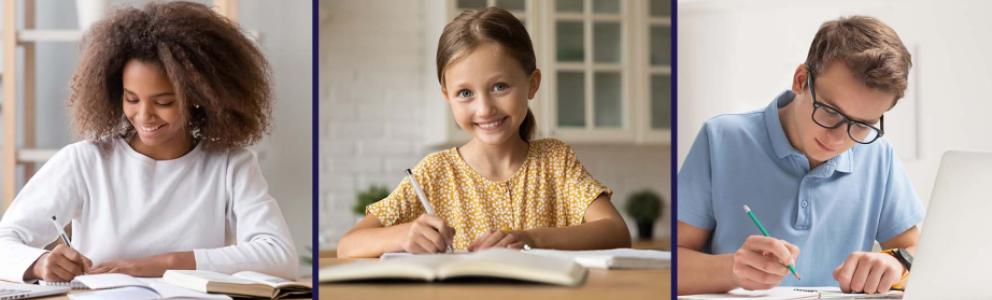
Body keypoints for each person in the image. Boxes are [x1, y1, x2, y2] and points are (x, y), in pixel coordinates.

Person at [0, 1, 297, 283]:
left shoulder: (230, 164)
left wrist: (160, 264)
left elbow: (279, 256)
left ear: (198, 97)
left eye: (164, 102)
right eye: (132, 99)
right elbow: (4, 243)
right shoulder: (84, 161)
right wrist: (39, 263)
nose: (144, 116)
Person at [337, 7, 631, 258]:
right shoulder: (434, 173)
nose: (485, 108)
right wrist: (402, 236)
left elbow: (617, 232)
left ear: (532, 83)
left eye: (500, 87)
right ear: (446, 96)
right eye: (465, 93)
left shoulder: (556, 161)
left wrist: (531, 239)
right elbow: (347, 246)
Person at [677, 16, 923, 295]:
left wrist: (895, 263)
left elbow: (916, 251)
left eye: (862, 125)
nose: (839, 137)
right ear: (801, 80)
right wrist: (732, 269)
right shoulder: (721, 138)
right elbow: (672, 263)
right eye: (830, 112)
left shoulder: (878, 154)